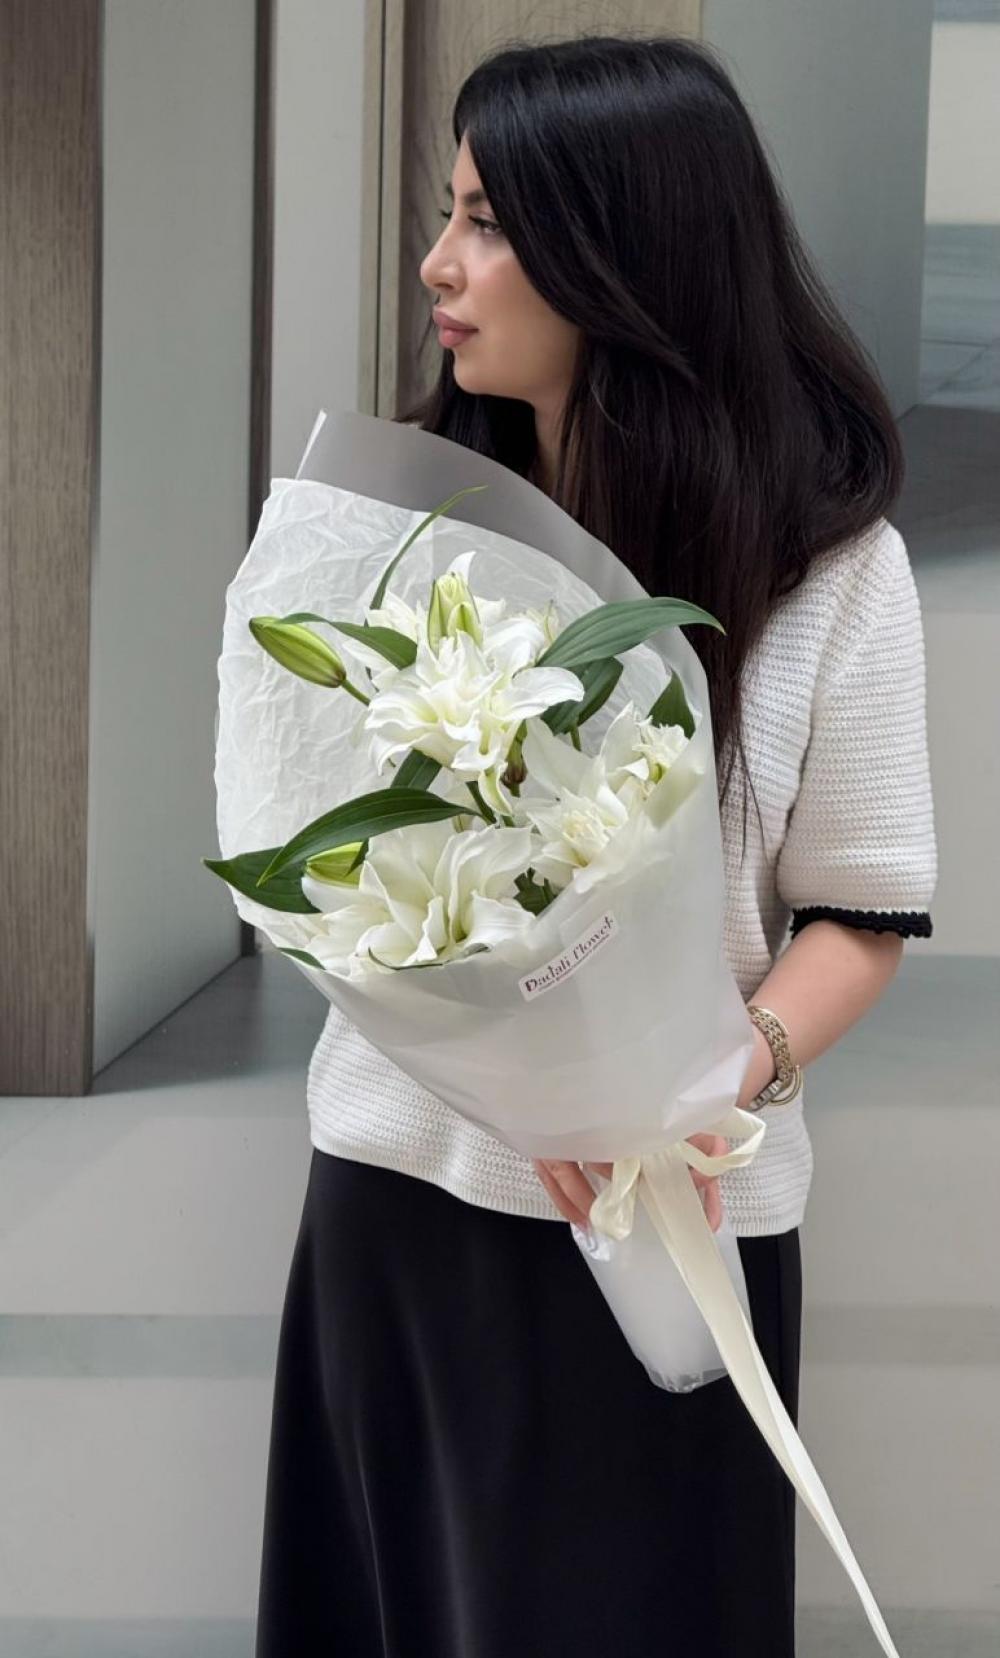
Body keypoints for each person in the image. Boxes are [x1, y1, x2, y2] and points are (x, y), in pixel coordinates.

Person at [254, 34, 937, 1657]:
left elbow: (861, 914)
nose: (440, 263)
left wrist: (716, 1074)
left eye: (488, 223)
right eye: (448, 213)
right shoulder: (409, 537)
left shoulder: (835, 570)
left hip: (670, 1231)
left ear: (623, 256)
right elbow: (349, 874)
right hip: (402, 1202)